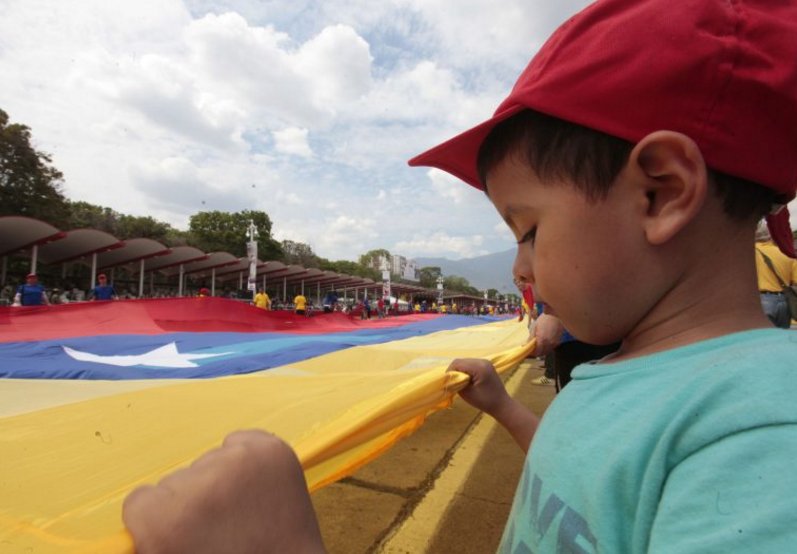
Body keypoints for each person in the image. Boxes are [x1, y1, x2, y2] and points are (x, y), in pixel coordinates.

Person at [123, 1, 797, 552]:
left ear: (660, 193)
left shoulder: (763, 432)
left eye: (528, 228)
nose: (519, 267)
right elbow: (586, 485)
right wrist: (505, 409)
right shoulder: (625, 373)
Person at [754, 220, 797, 328]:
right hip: (784, 301)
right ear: (769, 235)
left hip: (762, 300)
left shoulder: (750, 252)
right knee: (780, 339)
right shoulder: (787, 254)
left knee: (763, 340)